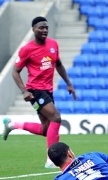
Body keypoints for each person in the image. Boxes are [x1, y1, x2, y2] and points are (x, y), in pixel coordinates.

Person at [3, 16, 76, 169]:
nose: (44, 30)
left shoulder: (53, 44)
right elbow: (15, 72)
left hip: (47, 91)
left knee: (46, 129)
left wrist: (69, 83)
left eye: (46, 27)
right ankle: (51, 159)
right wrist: (24, 91)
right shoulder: (27, 49)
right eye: (41, 27)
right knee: (56, 117)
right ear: (33, 29)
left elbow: (59, 64)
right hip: (34, 91)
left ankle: (13, 125)